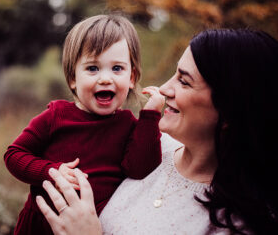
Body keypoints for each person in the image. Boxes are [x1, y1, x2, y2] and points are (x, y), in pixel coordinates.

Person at [36, 28, 278, 234]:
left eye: (184, 81)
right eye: (174, 74)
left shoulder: (240, 223)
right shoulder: (149, 146)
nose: (164, 89)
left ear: (229, 109)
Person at [4, 14, 165, 235]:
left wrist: (150, 116)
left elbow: (140, 169)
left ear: (132, 78)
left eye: (117, 68)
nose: (105, 79)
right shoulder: (56, 116)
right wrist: (52, 171)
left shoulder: (129, 125)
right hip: (41, 226)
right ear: (73, 78)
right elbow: (14, 154)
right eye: (92, 68)